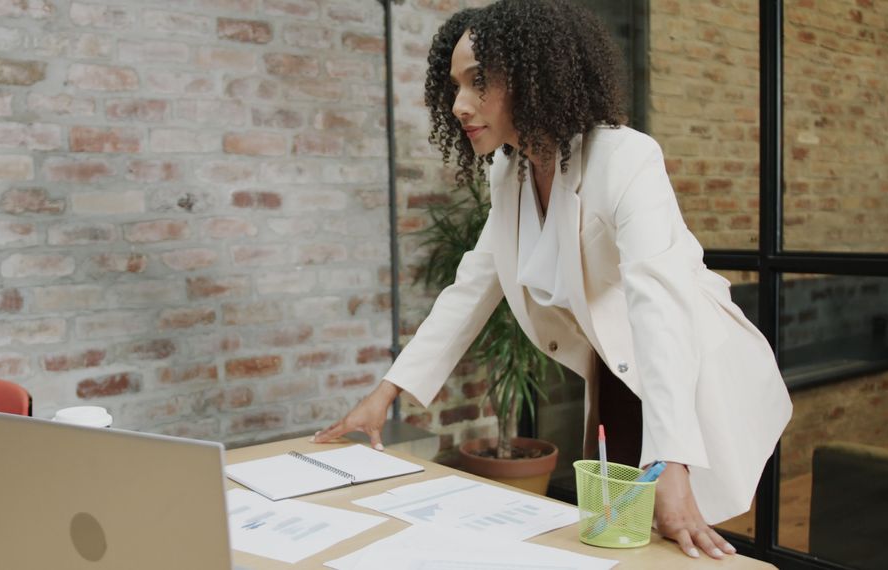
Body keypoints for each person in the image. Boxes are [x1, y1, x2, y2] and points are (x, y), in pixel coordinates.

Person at [314, 0, 792, 560]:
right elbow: (473, 285)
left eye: (479, 82)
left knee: (686, 539)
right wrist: (385, 394)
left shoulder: (625, 158)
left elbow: (659, 310)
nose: (460, 105)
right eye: (455, 86)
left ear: (534, 77)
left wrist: (670, 461)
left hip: (691, 372)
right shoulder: (511, 171)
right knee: (618, 540)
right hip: (617, 376)